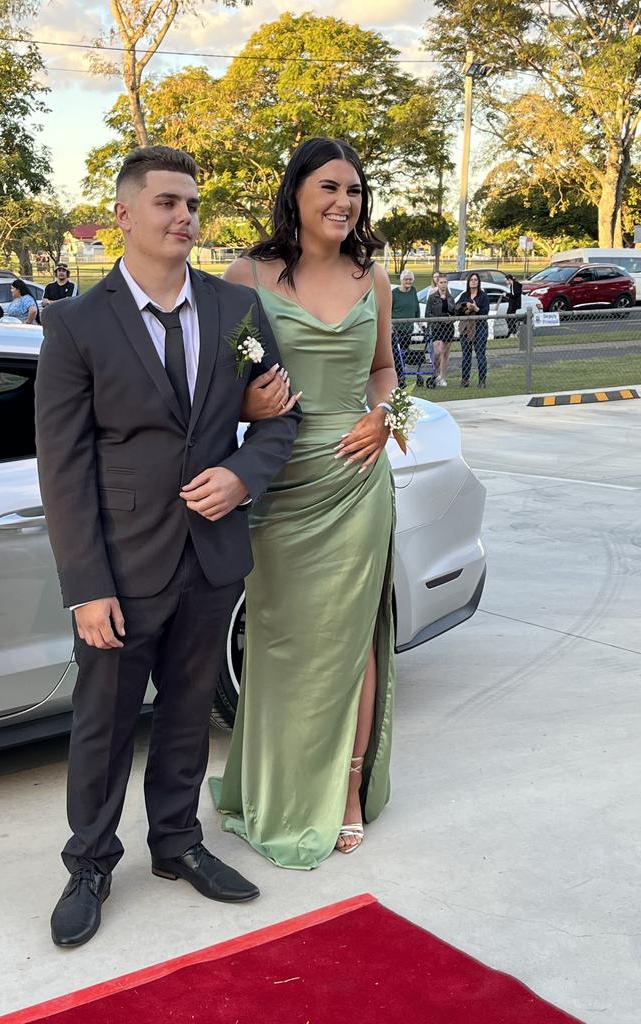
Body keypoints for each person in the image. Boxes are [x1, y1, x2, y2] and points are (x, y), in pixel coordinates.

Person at [35, 145, 301, 948]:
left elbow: (282, 417)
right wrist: (86, 586)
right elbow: (65, 464)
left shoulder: (234, 314)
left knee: (188, 714)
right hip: (121, 567)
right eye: (166, 203)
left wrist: (241, 475)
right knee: (105, 724)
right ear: (124, 214)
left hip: (211, 557)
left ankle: (178, 844)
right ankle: (88, 862)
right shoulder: (76, 324)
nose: (184, 216)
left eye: (191, 203)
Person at [214, 137, 399, 868]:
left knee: (351, 645)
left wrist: (385, 413)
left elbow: (385, 369)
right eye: (329, 187)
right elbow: (218, 391)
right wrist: (249, 402)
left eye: (354, 190)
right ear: (295, 192)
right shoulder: (244, 277)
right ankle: (272, 783)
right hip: (280, 482)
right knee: (282, 644)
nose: (343, 203)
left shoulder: (372, 276)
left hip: (355, 481)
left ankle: (346, 792)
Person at [455, 271, 490, 387]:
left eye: (475, 280)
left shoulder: (483, 296)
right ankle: (465, 380)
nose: (473, 282)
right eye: (471, 280)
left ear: (478, 282)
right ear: (468, 282)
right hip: (466, 328)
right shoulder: (464, 295)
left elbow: (485, 312)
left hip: (480, 327)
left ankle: (482, 381)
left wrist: (476, 308)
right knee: (466, 354)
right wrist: (466, 307)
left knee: (480, 353)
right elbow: (457, 309)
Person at [424, 273, 455, 386]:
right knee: (437, 351)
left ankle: (443, 377)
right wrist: (439, 320)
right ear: (437, 284)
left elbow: (454, 313)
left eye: (444, 282)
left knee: (445, 353)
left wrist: (451, 319)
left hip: (448, 328)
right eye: (441, 282)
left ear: (447, 284)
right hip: (437, 327)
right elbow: (428, 314)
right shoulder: (432, 297)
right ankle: (436, 373)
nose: (443, 285)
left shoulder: (450, 298)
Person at [390, 268, 420, 386]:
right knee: (396, 354)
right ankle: (398, 377)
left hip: (408, 329)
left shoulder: (413, 291)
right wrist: (390, 324)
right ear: (401, 280)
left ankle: (402, 376)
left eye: (410, 279)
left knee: (404, 353)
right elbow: (389, 309)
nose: (408, 281)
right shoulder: (394, 293)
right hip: (396, 330)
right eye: (406, 279)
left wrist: (419, 322)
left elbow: (416, 306)